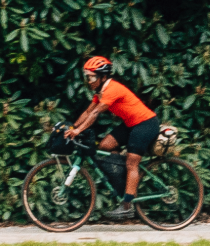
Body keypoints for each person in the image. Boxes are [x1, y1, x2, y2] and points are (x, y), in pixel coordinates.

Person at [65, 56, 160, 220]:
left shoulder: (112, 89)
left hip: (145, 124)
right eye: (87, 77)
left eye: (91, 77)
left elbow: (95, 113)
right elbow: (88, 111)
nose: (88, 81)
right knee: (105, 146)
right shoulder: (100, 92)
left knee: (132, 162)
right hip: (131, 124)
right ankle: (126, 178)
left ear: (102, 77)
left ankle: (127, 206)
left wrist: (79, 130)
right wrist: (73, 128)